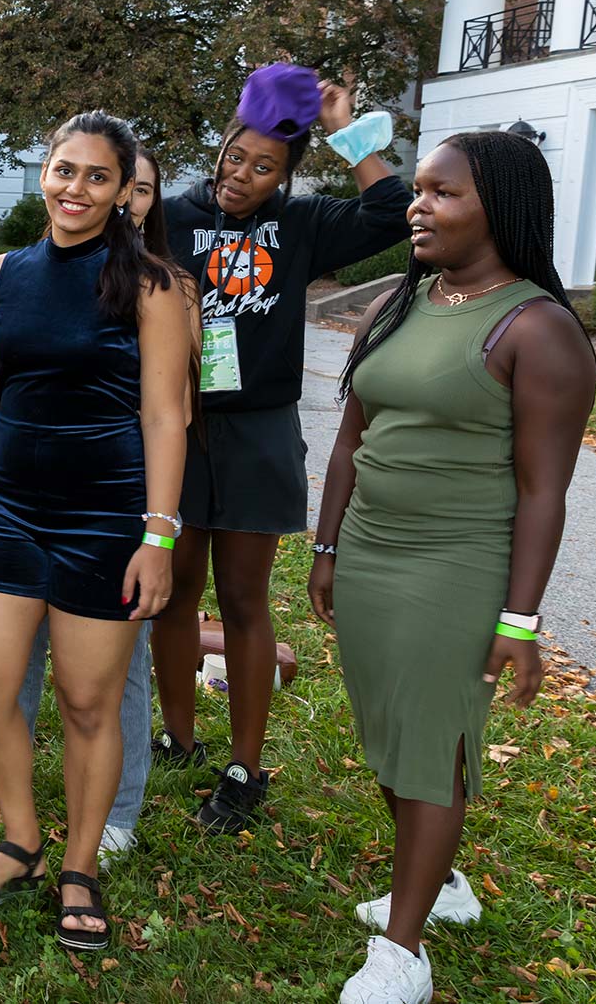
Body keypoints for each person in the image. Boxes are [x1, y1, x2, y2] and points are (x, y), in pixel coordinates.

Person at [311, 132, 594, 1004]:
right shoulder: (398, 304)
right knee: (393, 734)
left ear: (498, 205)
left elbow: (544, 492)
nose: (417, 206)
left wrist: (519, 620)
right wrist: (326, 550)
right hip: (368, 554)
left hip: (457, 565)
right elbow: (352, 440)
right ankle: (443, 885)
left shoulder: (538, 329)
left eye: (443, 193)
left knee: (433, 746)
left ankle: (404, 953)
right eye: (418, 190)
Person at [0, 112, 190, 954]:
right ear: (44, 172)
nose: (75, 189)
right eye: (63, 170)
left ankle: (80, 867)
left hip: (106, 513)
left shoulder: (154, 285)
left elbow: (166, 412)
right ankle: (19, 840)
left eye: (96, 177)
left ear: (122, 193)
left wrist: (160, 534)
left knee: (85, 700)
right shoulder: (0, 274)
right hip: (6, 506)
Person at [153, 65, 409, 833]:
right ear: (223, 145)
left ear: (286, 174)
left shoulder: (304, 224)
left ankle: (245, 765)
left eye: (264, 167)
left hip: (260, 429)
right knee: (174, 585)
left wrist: (344, 128)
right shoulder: (168, 217)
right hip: (178, 425)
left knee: (241, 596)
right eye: (236, 156)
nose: (242, 175)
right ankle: (179, 736)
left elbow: (392, 211)